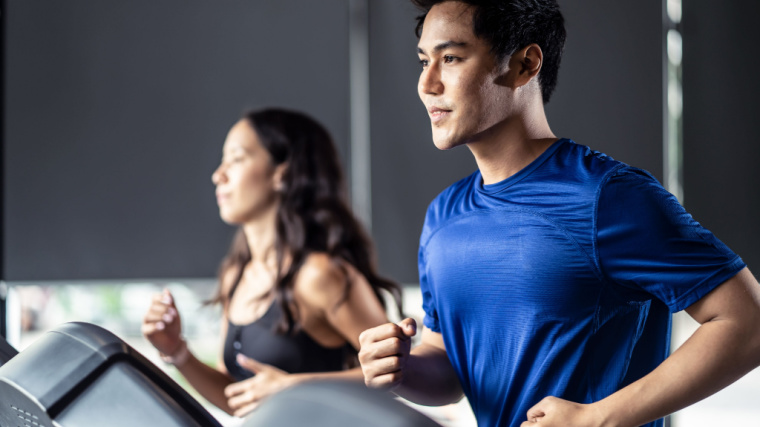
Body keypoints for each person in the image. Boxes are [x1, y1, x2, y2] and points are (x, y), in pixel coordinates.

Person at [357, 1, 760, 427]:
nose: (427, 83)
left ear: (524, 65)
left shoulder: (609, 196)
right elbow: (450, 365)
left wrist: (598, 418)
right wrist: (401, 370)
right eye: (423, 61)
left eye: (451, 58)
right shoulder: (443, 216)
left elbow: (747, 321)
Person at [143, 108, 402, 417]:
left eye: (236, 159)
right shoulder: (235, 275)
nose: (218, 174)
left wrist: (293, 386)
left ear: (282, 173)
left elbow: (395, 371)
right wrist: (177, 351)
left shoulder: (320, 275)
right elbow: (237, 398)